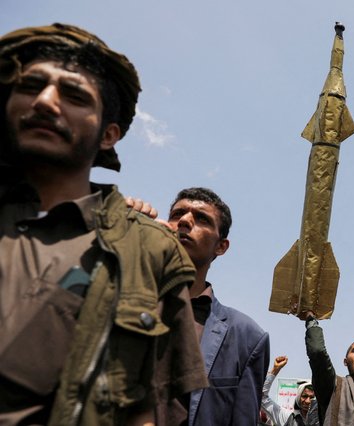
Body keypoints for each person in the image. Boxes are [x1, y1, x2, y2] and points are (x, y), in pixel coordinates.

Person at [0, 23, 207, 425]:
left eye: (74, 95)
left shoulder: (150, 252)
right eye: (30, 87)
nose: (45, 102)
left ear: (109, 134)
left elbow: (148, 412)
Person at [165, 187, 270, 425]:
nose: (184, 221)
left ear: (221, 246)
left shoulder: (246, 336)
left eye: (201, 219)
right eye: (177, 214)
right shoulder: (120, 306)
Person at [261, 355, 318, 426]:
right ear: (298, 398)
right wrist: (275, 370)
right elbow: (262, 398)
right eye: (304, 396)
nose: (307, 401)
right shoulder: (287, 417)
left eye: (312, 397)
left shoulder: (323, 419)